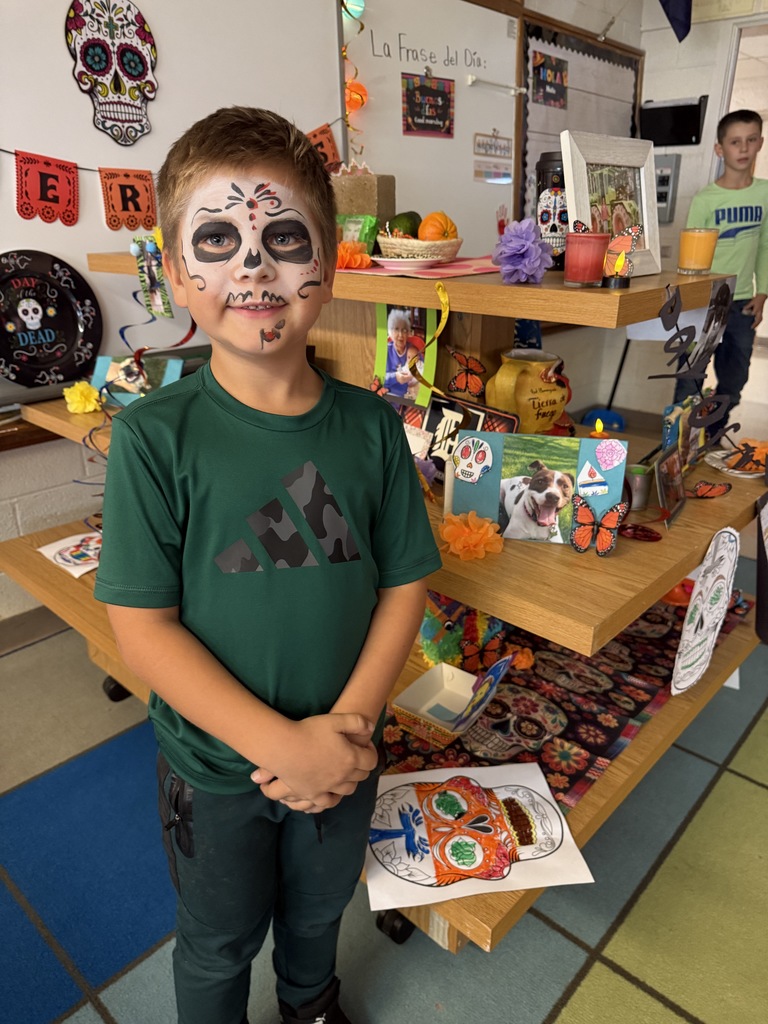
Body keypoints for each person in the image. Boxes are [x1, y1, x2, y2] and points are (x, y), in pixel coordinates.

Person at [93, 106, 441, 1024]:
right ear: (176, 270)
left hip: (347, 748)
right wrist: (280, 746)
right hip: (215, 771)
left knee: (320, 910)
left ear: (329, 262)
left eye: (283, 237)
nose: (252, 267)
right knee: (218, 937)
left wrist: (347, 731)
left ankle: (309, 1006)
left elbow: (406, 584)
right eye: (218, 239)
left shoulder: (372, 429)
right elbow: (142, 627)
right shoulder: (152, 439)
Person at [673, 109, 768, 427]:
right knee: (689, 382)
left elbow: (766, 246)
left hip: (742, 303)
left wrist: (763, 292)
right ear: (720, 149)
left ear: (760, 143)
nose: (743, 148)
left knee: (734, 385)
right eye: (735, 142)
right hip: (705, 301)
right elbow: (690, 260)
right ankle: (675, 453)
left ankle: (708, 436)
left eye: (750, 140)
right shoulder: (705, 200)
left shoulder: (765, 194)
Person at [383, 307, 421, 397]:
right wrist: (395, 377)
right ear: (390, 331)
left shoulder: (413, 349)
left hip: (410, 398)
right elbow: (378, 377)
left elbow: (424, 368)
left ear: (408, 333)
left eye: (404, 330)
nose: (400, 335)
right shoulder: (386, 350)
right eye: (396, 329)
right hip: (389, 396)